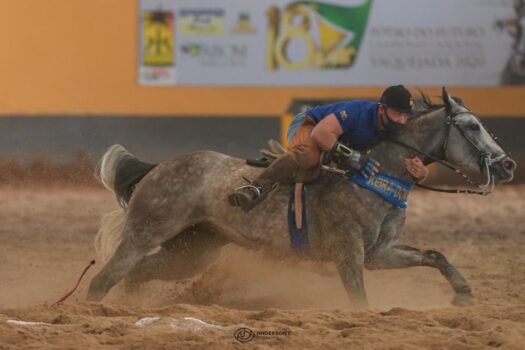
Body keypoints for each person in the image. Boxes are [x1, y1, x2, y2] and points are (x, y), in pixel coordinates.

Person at [228, 85, 428, 212]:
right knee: (308, 158)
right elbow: (320, 135)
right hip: (310, 124)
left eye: (405, 115)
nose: (401, 120)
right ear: (382, 108)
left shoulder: (395, 125)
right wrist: (354, 157)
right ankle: (255, 188)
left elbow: (407, 158)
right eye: (396, 114)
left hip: (337, 140)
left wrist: (421, 172)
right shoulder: (357, 112)